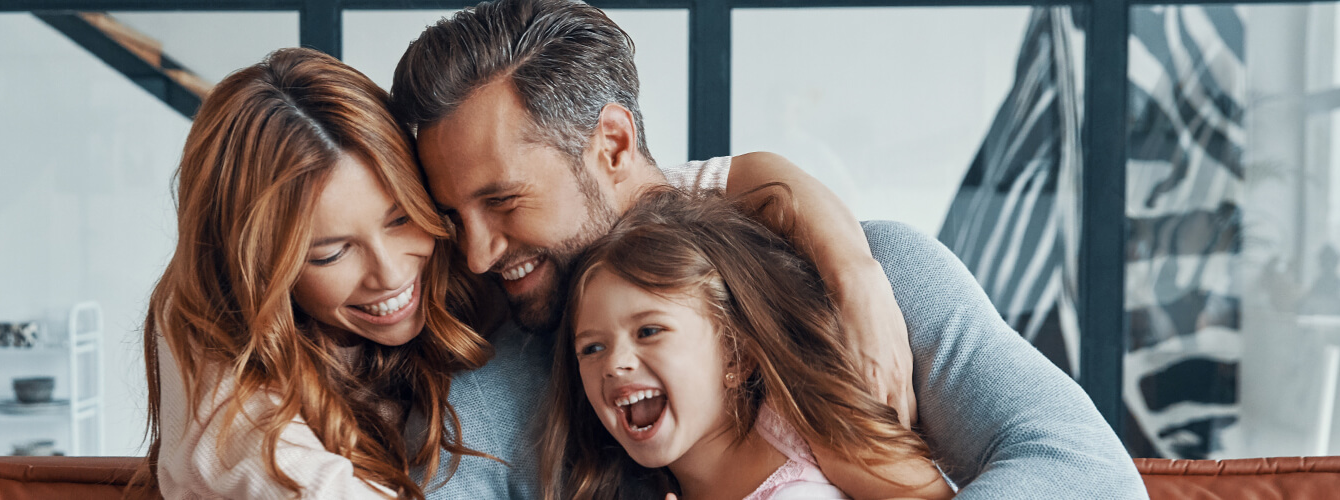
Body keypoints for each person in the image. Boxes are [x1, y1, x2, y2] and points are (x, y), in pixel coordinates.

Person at [387, 0, 1146, 498]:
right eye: (454, 215)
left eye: (504, 201)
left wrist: (850, 270)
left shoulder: (871, 280)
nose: (479, 252)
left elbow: (1086, 471)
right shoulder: (482, 401)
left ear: (612, 144)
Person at [134, 48, 498, 499]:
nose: (389, 274)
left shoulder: (467, 249)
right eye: (331, 253)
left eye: (402, 218)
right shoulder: (206, 321)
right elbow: (294, 480)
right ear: (258, 269)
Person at [545, 188, 950, 500]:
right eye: (591, 348)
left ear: (736, 355)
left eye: (649, 331)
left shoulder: (808, 429)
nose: (615, 364)